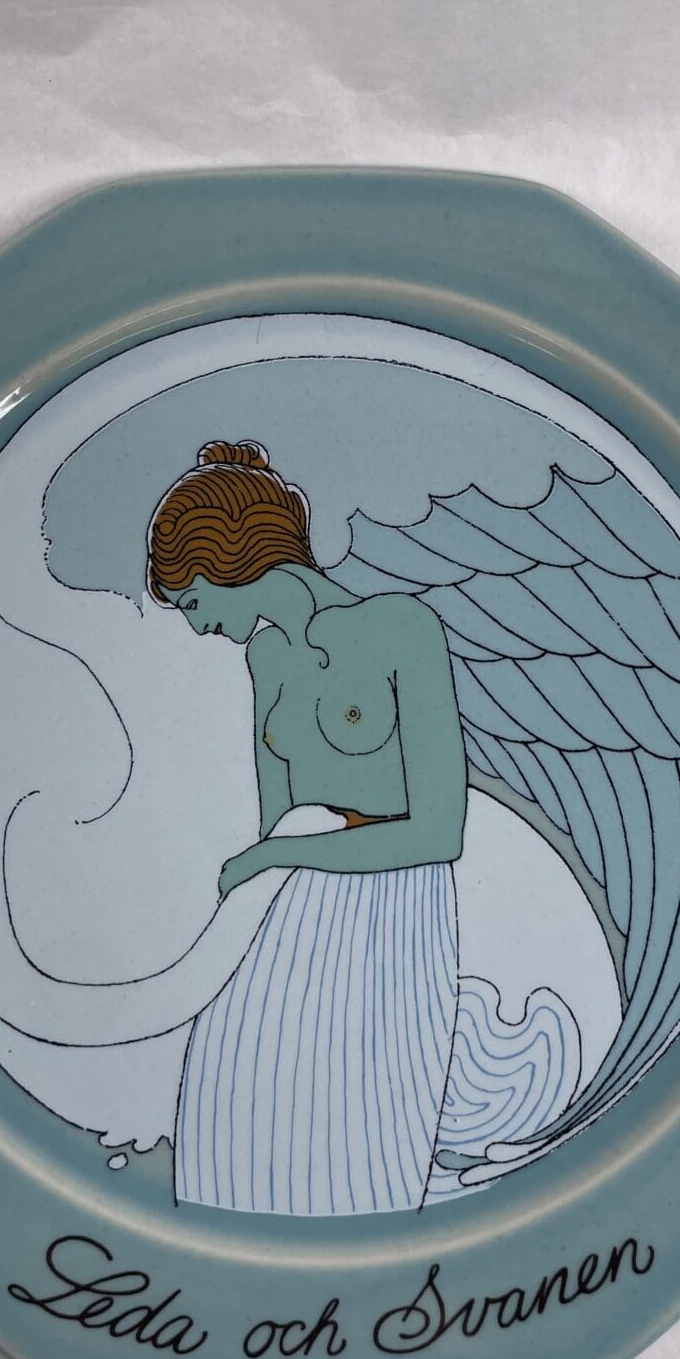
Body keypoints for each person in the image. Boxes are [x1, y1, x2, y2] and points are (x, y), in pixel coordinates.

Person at [147, 439, 470, 1215]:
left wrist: (274, 859)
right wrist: (263, 869)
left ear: (225, 561)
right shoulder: (266, 659)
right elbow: (273, 821)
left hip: (395, 910)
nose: (196, 627)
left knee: (370, 1126)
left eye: (191, 601)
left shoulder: (401, 627)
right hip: (289, 915)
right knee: (241, 1104)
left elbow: (438, 831)